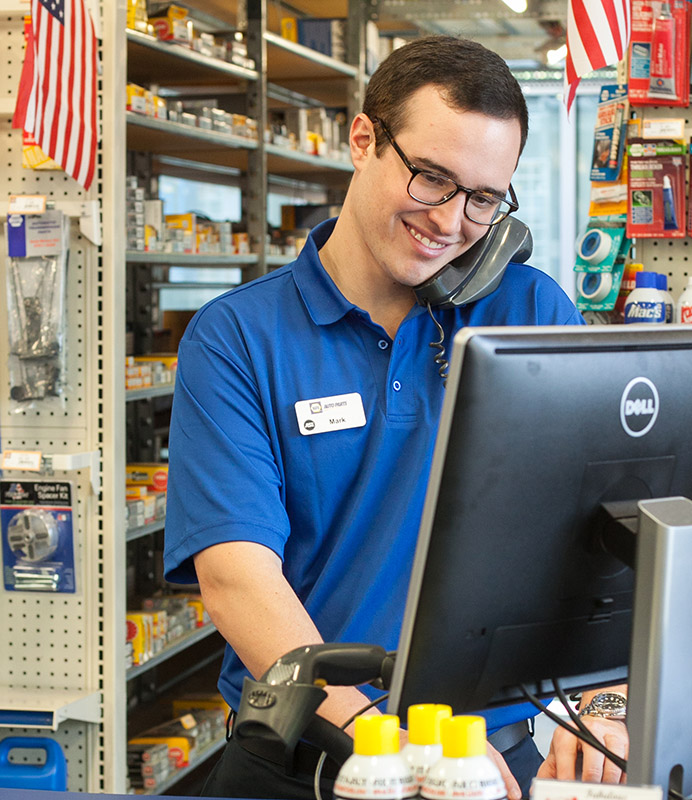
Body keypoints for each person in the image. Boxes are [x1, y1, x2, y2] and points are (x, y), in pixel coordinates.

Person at [164, 34, 628, 800]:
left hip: (488, 760)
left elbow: (591, 539)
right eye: (432, 179)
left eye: (484, 199)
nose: (451, 222)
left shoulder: (528, 312)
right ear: (364, 139)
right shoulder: (238, 338)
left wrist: (605, 706)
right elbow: (237, 580)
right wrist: (403, 750)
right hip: (303, 758)